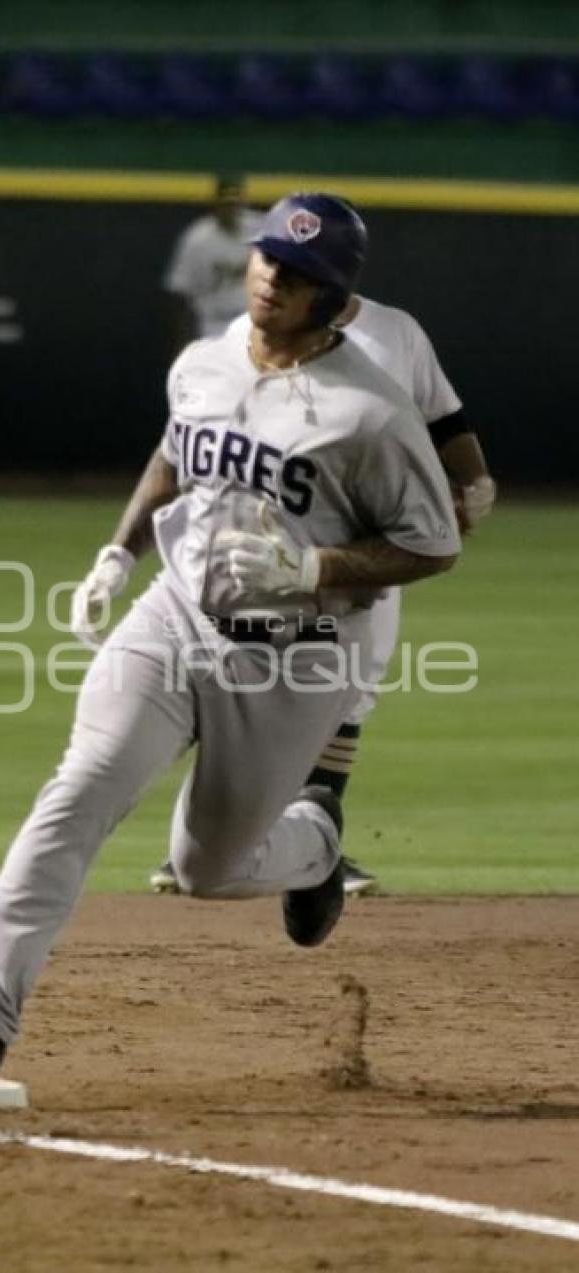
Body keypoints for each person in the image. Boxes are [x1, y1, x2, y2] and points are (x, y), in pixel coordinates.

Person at [0, 192, 461, 1076]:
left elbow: (433, 545)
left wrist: (314, 571)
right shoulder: (204, 360)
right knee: (80, 787)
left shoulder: (372, 413)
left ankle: (313, 845)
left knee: (206, 870)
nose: (274, 276)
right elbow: (175, 454)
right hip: (174, 616)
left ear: (332, 295)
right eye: (269, 256)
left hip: (295, 660)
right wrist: (117, 554)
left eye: (299, 272)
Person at [149, 291, 496, 898]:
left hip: (364, 553)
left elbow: (446, 419)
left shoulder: (397, 332)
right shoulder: (253, 329)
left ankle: (318, 835)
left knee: (349, 692)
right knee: (224, 677)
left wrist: (475, 476)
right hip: (264, 544)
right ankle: (207, 842)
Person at [162, 173, 264, 354]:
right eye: (225, 203)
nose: (230, 208)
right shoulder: (197, 239)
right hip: (215, 327)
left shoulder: (260, 227)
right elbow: (180, 294)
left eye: (235, 201)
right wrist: (183, 346)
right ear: (215, 205)